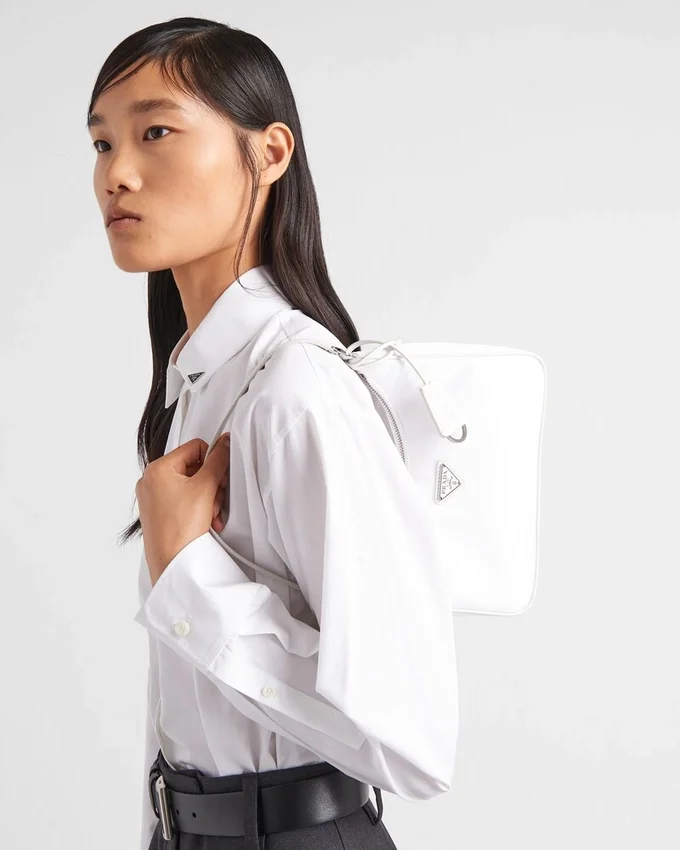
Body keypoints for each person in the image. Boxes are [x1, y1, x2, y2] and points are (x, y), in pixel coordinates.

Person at [87, 16, 458, 850]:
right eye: (102, 144)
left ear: (270, 152)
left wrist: (191, 575)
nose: (118, 174)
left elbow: (413, 741)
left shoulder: (298, 391)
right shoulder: (198, 383)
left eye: (155, 132)